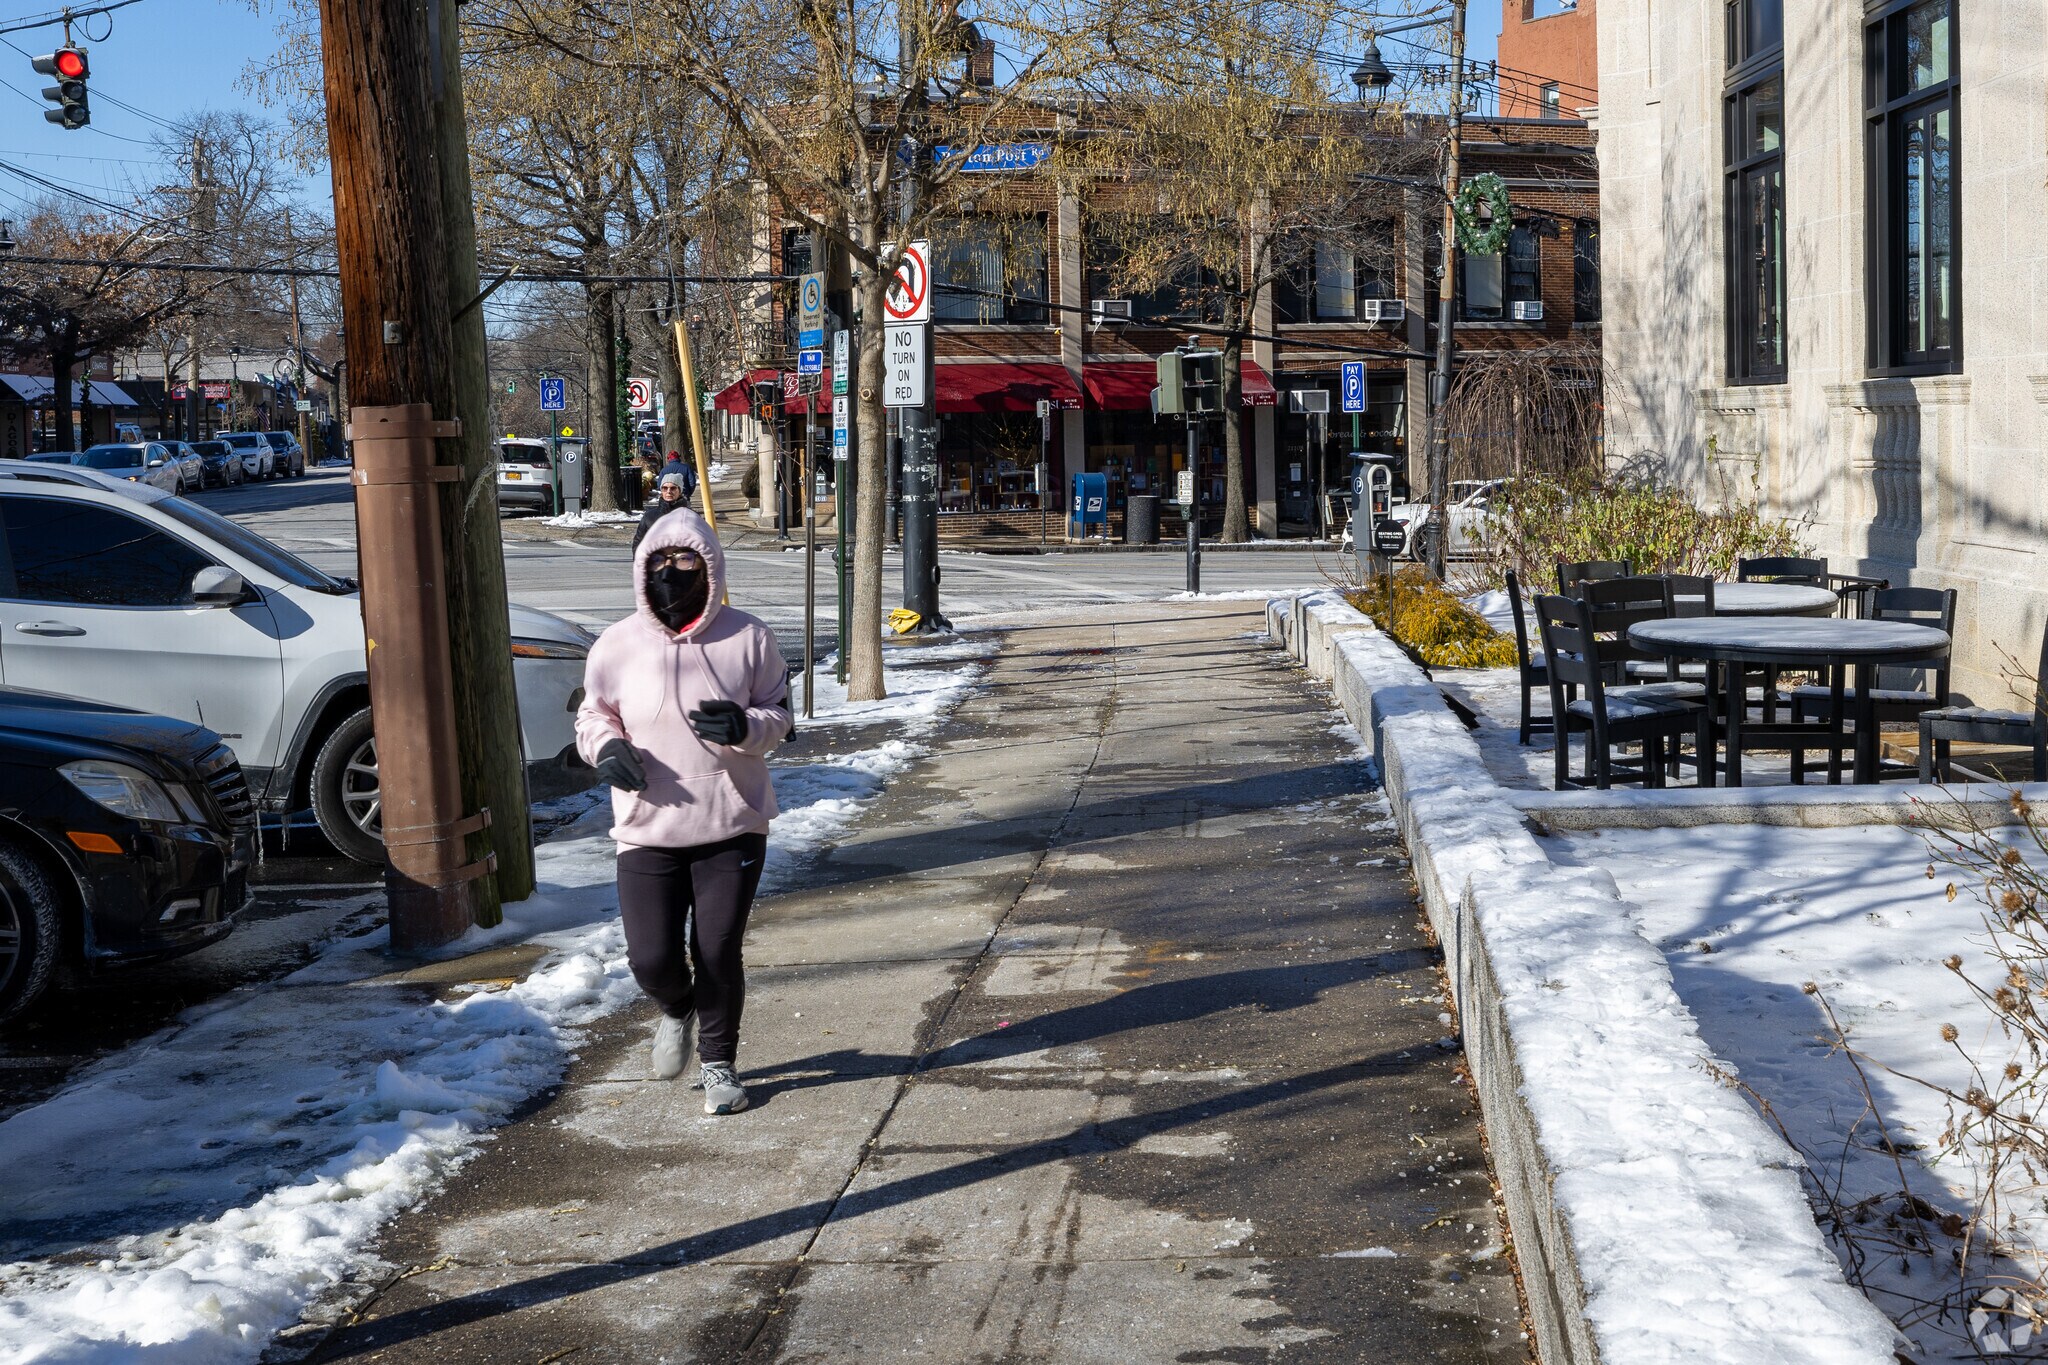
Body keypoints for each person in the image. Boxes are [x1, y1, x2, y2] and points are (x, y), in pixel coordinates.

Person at [576, 509, 791, 1115]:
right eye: (662, 562)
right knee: (650, 958)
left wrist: (748, 726)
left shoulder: (748, 636)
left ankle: (720, 1065)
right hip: (647, 825)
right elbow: (594, 715)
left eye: (687, 561)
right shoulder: (616, 644)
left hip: (731, 823)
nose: (674, 573)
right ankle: (676, 1007)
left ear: (711, 567)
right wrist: (606, 747)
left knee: (718, 949)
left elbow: (781, 712)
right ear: (643, 568)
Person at [633, 470, 690, 551]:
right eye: (665, 488)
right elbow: (638, 541)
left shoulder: (690, 516)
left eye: (673, 488)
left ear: (680, 491)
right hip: (656, 562)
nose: (668, 491)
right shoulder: (649, 516)